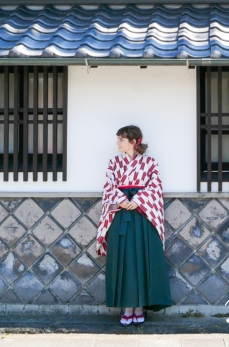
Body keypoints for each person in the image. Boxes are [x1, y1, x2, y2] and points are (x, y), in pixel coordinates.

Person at [96, 125, 172, 326]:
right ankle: (126, 306)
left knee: (143, 258)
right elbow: (108, 186)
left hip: (143, 214)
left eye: (120, 139)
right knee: (124, 258)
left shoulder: (150, 163)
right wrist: (121, 200)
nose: (117, 143)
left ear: (133, 141)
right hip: (121, 214)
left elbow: (155, 186)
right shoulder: (114, 163)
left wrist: (138, 200)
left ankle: (140, 307)